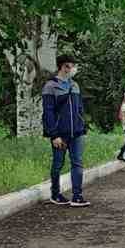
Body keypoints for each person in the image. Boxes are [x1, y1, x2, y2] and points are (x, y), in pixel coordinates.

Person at [42, 53, 90, 207]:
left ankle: (77, 196)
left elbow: (80, 108)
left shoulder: (75, 85)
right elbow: (48, 112)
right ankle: (55, 194)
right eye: (70, 65)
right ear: (63, 66)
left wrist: (82, 125)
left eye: (74, 65)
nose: (73, 68)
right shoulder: (50, 86)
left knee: (77, 162)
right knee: (58, 164)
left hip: (77, 132)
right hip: (60, 134)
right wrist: (53, 134)